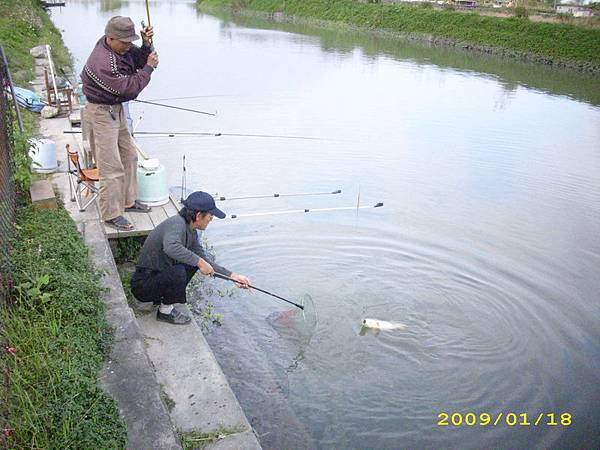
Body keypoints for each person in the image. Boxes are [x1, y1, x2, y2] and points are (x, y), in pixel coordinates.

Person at [80, 16, 159, 231]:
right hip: (101, 113)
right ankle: (111, 214)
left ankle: (128, 201)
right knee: (110, 166)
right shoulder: (103, 62)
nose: (128, 46)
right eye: (125, 42)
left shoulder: (119, 48)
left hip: (116, 109)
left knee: (129, 156)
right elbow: (129, 88)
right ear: (110, 37)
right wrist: (149, 69)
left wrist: (146, 45)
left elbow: (138, 60)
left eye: (130, 41)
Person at [130, 191, 251, 325]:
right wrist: (199, 262)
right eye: (210, 216)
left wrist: (233, 276)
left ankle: (163, 300)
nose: (211, 219)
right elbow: (171, 247)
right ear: (199, 215)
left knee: (194, 263)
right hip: (142, 288)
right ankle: (165, 311)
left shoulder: (191, 232)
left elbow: (206, 262)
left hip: (156, 280)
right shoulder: (176, 224)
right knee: (181, 270)